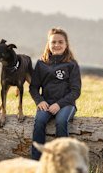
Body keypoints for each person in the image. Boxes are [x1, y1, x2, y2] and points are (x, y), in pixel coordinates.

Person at [29, 27, 81, 160]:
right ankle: (36, 160)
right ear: (48, 44)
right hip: (46, 103)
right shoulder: (41, 64)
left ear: (66, 44)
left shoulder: (72, 64)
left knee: (61, 121)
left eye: (60, 42)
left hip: (66, 104)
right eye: (53, 42)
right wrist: (39, 101)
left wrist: (59, 104)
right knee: (39, 121)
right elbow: (33, 87)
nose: (57, 45)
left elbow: (76, 91)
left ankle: (62, 160)